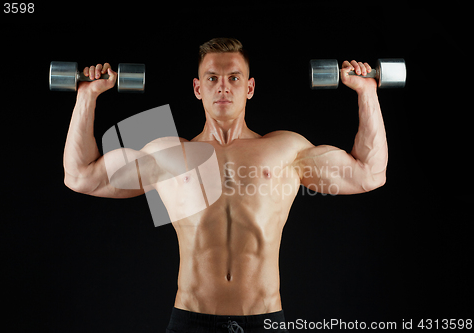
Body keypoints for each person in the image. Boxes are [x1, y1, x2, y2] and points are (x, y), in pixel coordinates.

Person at [63, 38, 387, 333]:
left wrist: (367, 91)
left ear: (249, 88)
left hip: (265, 320)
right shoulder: (169, 156)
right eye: (212, 78)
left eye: (233, 78)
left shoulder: (286, 151)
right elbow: (80, 176)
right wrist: (87, 96)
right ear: (197, 88)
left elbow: (369, 173)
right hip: (191, 320)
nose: (223, 87)